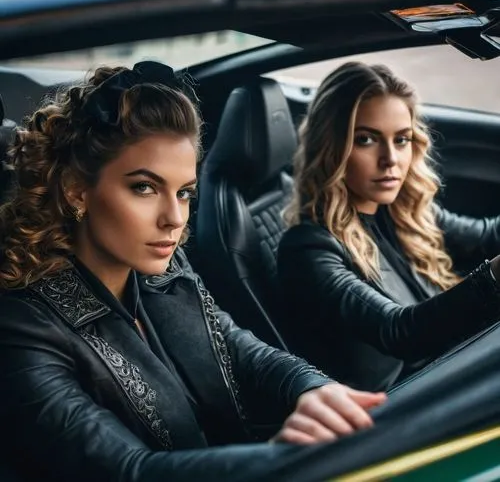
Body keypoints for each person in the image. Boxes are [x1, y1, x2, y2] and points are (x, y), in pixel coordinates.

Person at [0, 61, 386, 482]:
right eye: (144, 187)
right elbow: (130, 471)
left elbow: (239, 348)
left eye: (184, 192)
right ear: (77, 189)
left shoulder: (161, 269)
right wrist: (278, 460)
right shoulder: (21, 327)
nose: (173, 218)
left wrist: (314, 389)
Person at [277, 61, 500, 392]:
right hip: (402, 402)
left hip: (449, 366)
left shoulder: (399, 211)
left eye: (402, 140)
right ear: (331, 147)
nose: (390, 159)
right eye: (366, 139)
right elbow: (399, 331)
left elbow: (486, 236)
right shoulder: (308, 248)